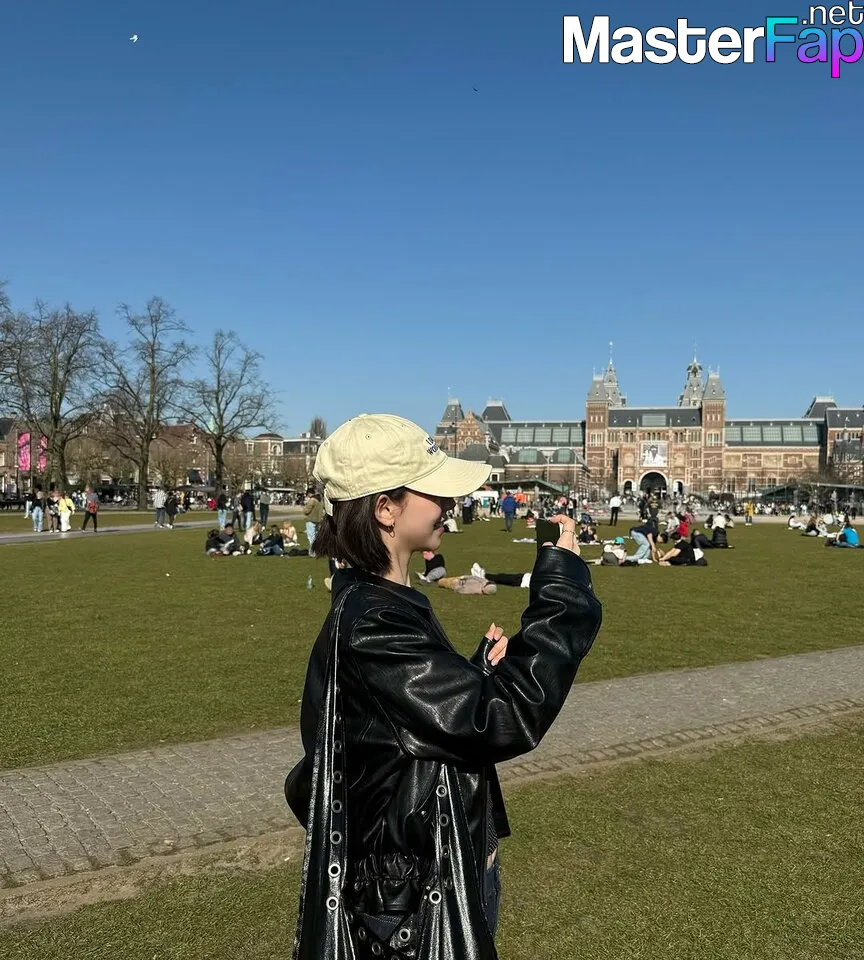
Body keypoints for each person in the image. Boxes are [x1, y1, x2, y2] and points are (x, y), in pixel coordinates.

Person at [284, 414, 602, 960]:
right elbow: (501, 717)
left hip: (433, 877)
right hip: (413, 906)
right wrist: (564, 591)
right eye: (432, 491)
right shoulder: (374, 622)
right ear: (385, 509)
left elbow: (407, 728)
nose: (449, 503)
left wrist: (471, 676)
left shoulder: (380, 605)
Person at [303, 489, 324, 558]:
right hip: (318, 520)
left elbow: (306, 511)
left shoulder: (312, 500)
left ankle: (313, 552)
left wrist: (305, 505)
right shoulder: (320, 500)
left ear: (309, 493)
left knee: (311, 537)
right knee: (316, 536)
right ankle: (318, 550)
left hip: (311, 519)